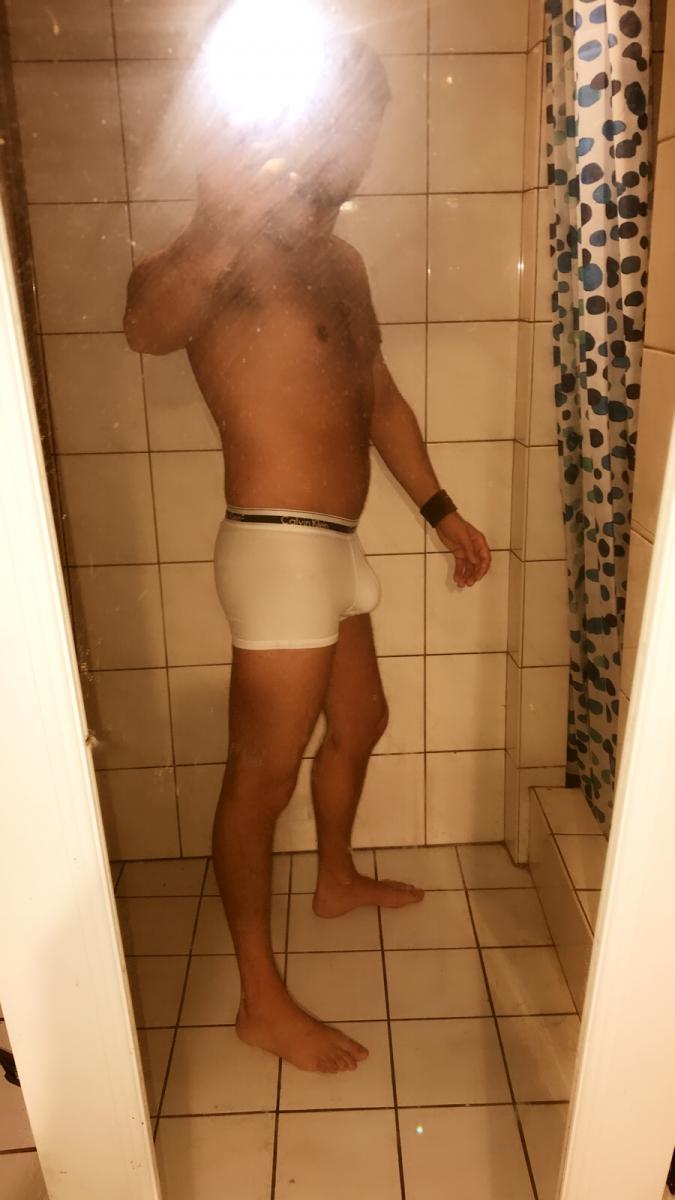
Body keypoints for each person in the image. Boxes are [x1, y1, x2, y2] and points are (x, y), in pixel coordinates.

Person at [123, 34, 491, 1075]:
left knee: (362, 721)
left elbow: (377, 397)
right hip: (275, 546)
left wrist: (441, 510)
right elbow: (146, 325)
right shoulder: (225, 243)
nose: (354, 144)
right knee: (262, 773)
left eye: (364, 125)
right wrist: (218, 222)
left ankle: (333, 879)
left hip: (336, 545)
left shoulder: (344, 264)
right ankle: (259, 1000)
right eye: (339, 120)